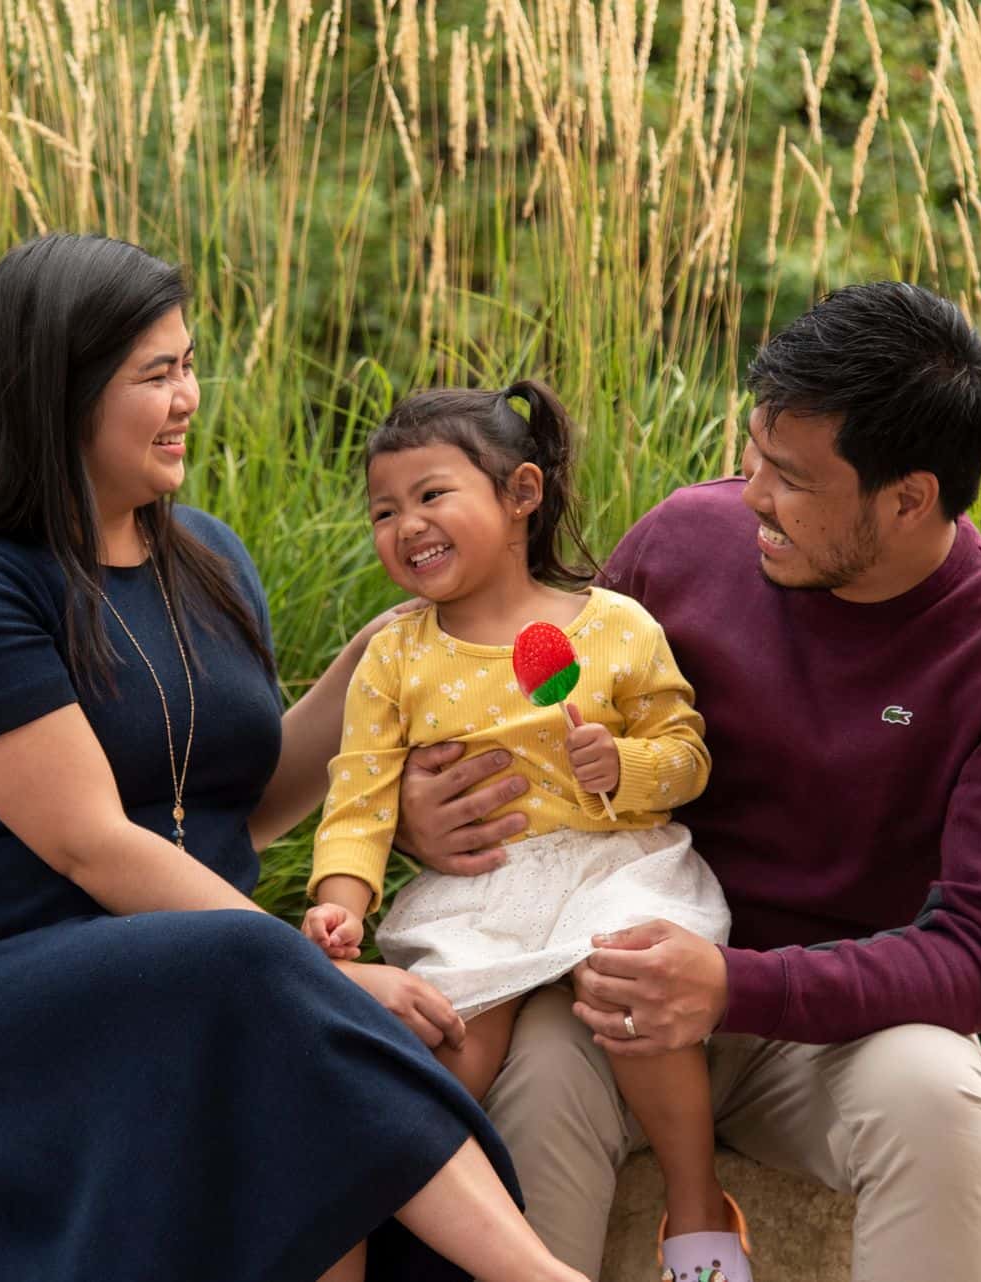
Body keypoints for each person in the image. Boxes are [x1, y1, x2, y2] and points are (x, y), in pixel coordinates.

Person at [0, 233, 586, 1282]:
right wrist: (321, 982)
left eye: (188, 363)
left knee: (300, 1039)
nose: (189, 394)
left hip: (207, 970)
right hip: (1, 988)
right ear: (59, 390)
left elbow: (245, 798)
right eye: (157, 374)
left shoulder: (206, 556)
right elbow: (95, 846)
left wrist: (381, 662)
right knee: (261, 986)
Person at [391, 283, 981, 1282]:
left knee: (937, 1102)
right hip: (615, 986)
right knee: (540, 1077)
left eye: (794, 478)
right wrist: (425, 817)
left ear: (910, 498)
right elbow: (540, 723)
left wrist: (732, 985)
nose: (754, 494)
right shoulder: (687, 539)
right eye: (756, 452)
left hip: (836, 1031)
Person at [300, 381, 752, 1282]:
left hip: (612, 867)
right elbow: (359, 800)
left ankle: (697, 1207)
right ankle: (376, 1200)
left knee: (629, 985)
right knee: (452, 1033)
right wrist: (339, 905)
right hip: (485, 890)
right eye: (383, 510)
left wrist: (624, 767)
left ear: (521, 494)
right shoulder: (396, 655)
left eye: (432, 495)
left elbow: (685, 751)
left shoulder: (614, 627)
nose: (405, 525)